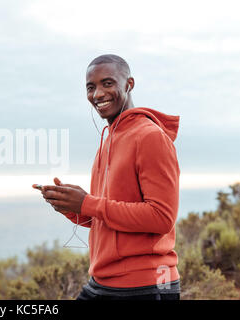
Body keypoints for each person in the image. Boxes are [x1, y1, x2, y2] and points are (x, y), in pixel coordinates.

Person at [33, 54, 181, 300]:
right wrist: (71, 207)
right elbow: (109, 218)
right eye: (91, 87)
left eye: (107, 83)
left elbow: (161, 218)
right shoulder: (108, 141)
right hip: (103, 282)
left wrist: (87, 202)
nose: (98, 94)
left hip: (147, 285)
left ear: (129, 84)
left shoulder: (150, 137)